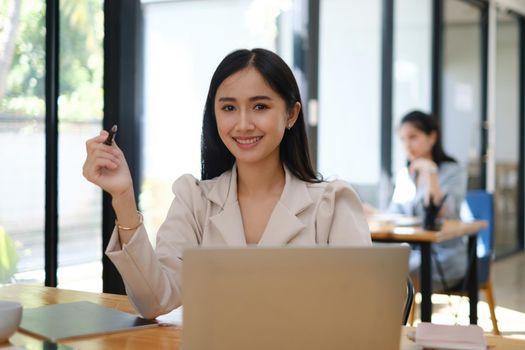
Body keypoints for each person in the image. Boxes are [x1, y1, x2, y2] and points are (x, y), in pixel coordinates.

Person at [83, 48, 371, 319]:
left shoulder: (332, 203)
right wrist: (123, 195)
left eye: (260, 106)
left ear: (291, 114)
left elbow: (363, 311)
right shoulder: (194, 199)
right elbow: (155, 301)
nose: (243, 124)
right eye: (229, 108)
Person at [387, 110, 468, 291]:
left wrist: (431, 172)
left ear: (432, 137)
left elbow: (445, 213)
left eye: (413, 137)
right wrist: (369, 212)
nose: (407, 145)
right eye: (402, 139)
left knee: (388, 273)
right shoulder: (405, 175)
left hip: (444, 257)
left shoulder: (453, 171)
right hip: (413, 253)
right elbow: (394, 214)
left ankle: (391, 319)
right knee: (378, 265)